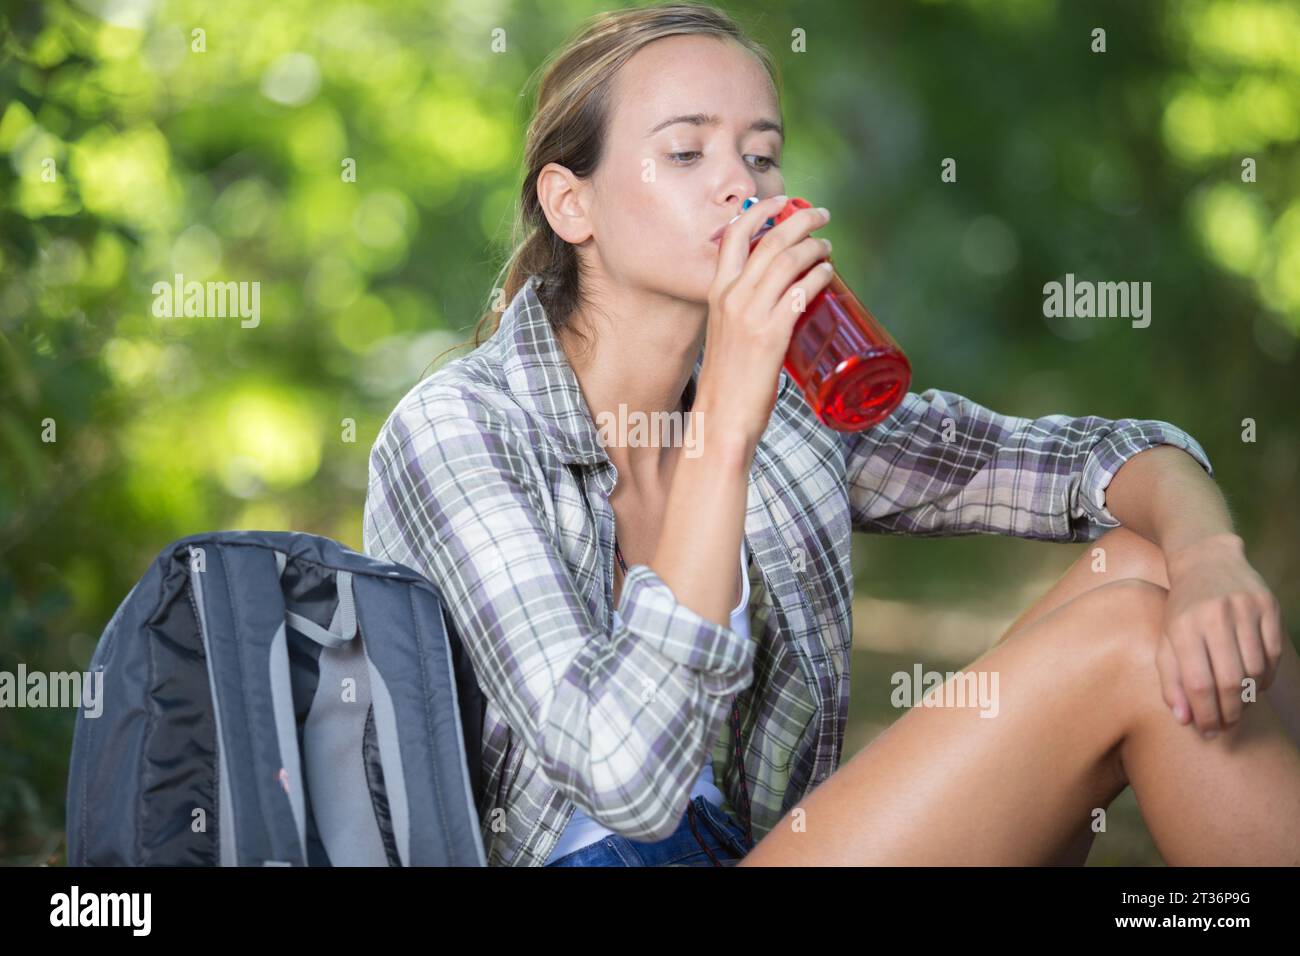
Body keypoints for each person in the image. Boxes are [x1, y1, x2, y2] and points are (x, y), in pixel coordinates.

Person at [362, 3, 1300, 867]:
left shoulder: (797, 414)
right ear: (573, 205)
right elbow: (629, 785)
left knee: (1154, 568)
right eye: (686, 153)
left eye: (762, 156)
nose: (740, 185)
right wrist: (725, 422)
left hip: (749, 850)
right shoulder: (460, 430)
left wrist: (1212, 552)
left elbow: (1084, 462)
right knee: (1130, 643)